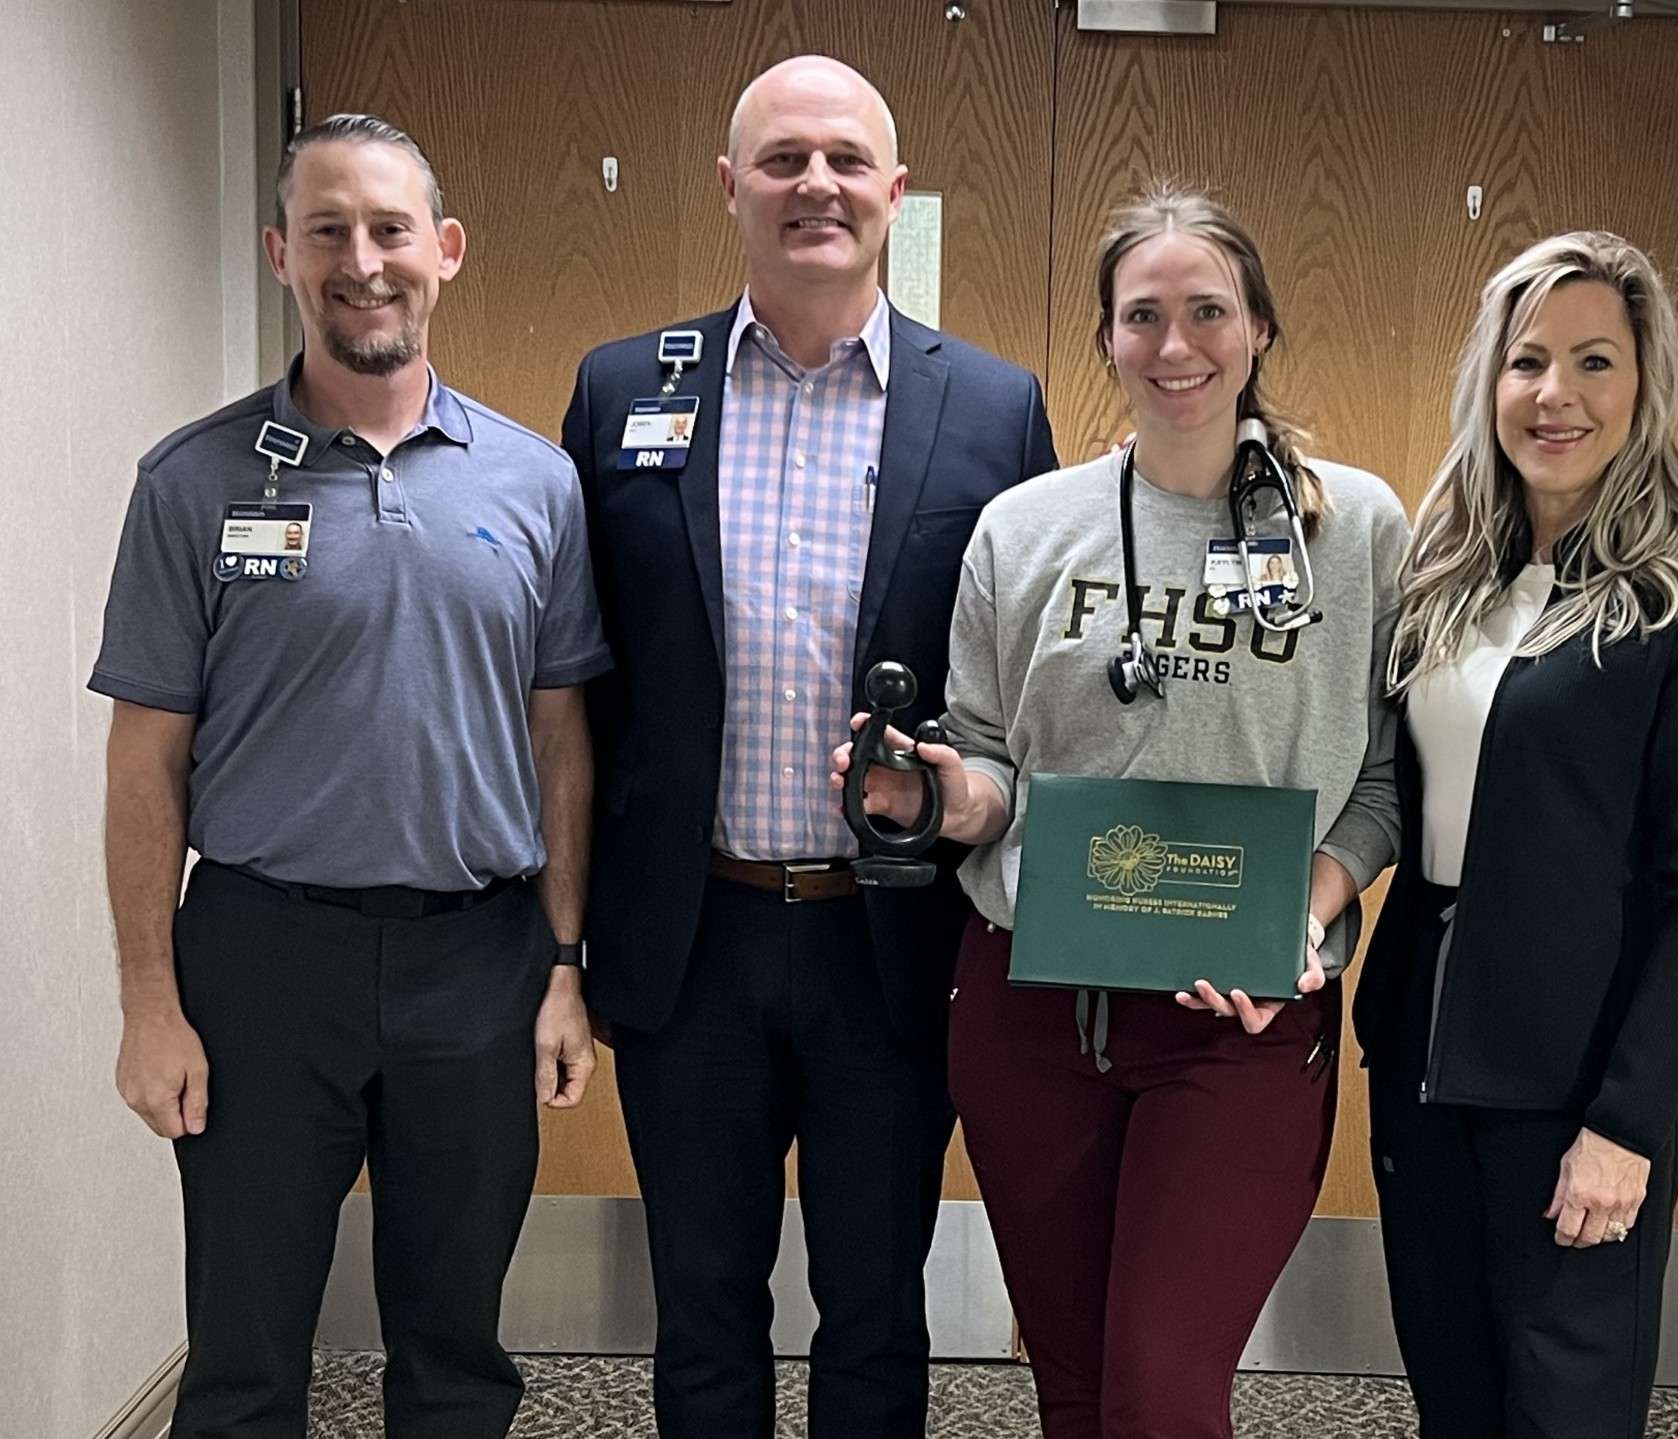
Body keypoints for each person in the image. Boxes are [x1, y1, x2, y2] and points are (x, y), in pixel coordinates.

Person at [836, 182, 1409, 1439]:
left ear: (1258, 326)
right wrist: (936, 794)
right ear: (1105, 339)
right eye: (1142, 315)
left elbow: (1381, 781)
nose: (1175, 344)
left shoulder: (1355, 528)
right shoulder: (1023, 529)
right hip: (1029, 1015)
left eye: (1208, 309)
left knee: (1159, 1390)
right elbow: (991, 774)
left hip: (1239, 1020)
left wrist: (1294, 919)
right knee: (1078, 1386)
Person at [92, 114, 608, 1438]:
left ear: (445, 251)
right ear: (281, 252)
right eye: (327, 229)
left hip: (478, 957)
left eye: (389, 229)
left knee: (455, 1355)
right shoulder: (192, 479)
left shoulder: (536, 483)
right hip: (262, 957)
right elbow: (146, 754)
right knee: (248, 1355)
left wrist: (562, 961)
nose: (361, 260)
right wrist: (150, 997)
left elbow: (561, 737)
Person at [562, 55, 1055, 1438]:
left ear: (896, 191)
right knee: (703, 1306)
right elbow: (579, 683)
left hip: (888, 941)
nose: (814, 184)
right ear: (731, 187)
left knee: (877, 1311)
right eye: (782, 159)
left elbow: (1024, 686)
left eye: (846, 158)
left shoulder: (994, 408)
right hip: (691, 931)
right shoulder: (619, 392)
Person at [1355, 231, 1678, 1437]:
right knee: (1455, 1393)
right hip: (1425, 1057)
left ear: (1644, 388)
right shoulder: (1446, 587)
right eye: (1529, 360)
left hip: (1578, 1077)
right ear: (1489, 381)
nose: (1557, 395)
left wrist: (1626, 1123)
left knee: (1566, 1406)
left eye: (1596, 361)